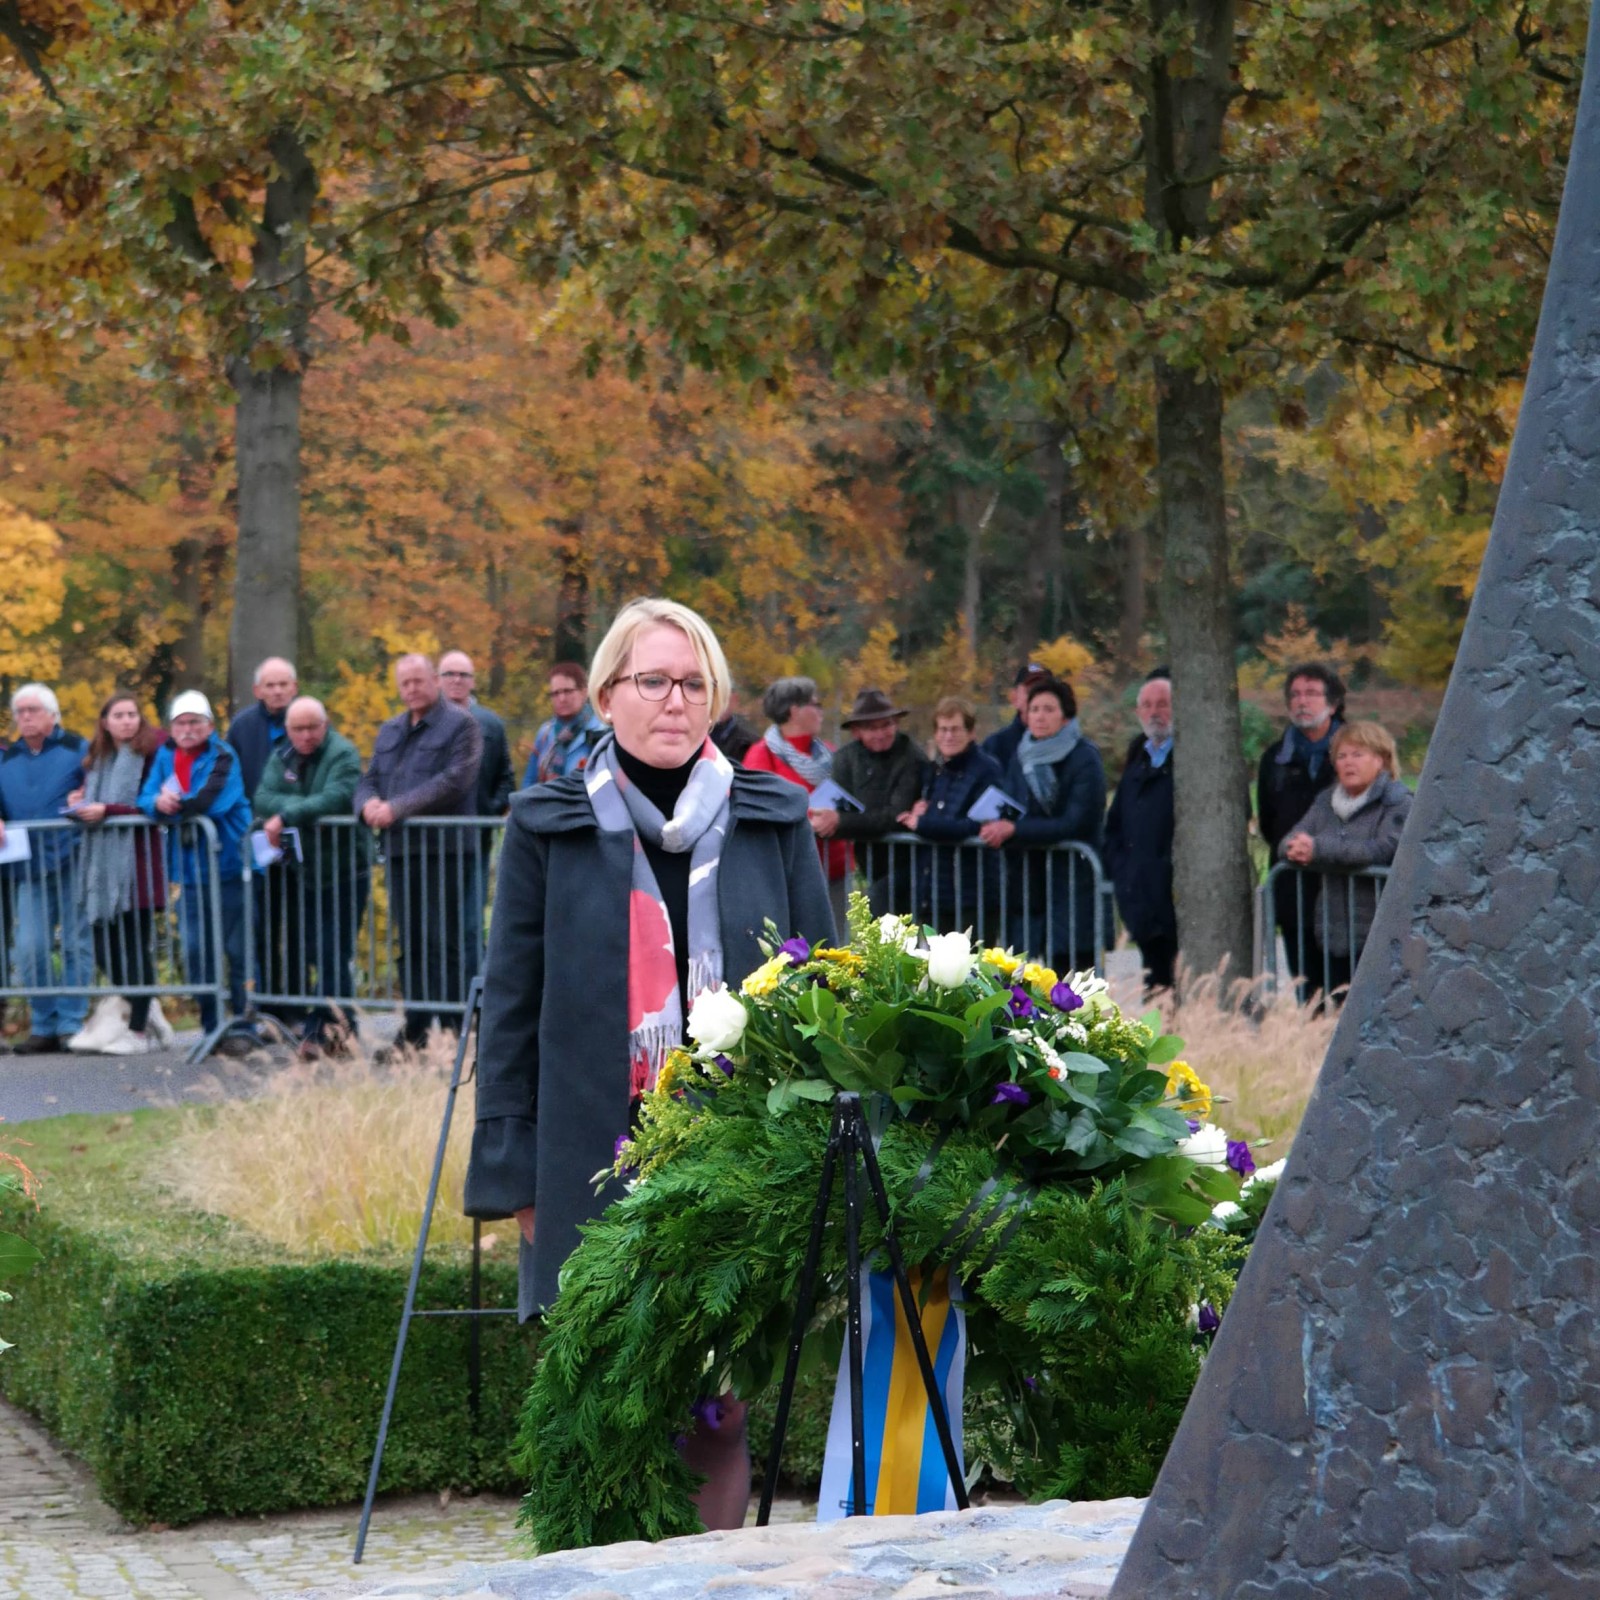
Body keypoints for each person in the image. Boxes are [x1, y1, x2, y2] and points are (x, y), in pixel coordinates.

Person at [464, 597, 834, 1532]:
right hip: (591, 1157)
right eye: (652, 681)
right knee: (607, 1411)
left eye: (692, 682)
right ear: (605, 697)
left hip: (739, 1155)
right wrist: (516, 1177)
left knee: (719, 1409)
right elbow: (509, 1006)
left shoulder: (773, 819)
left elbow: (825, 995)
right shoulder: (546, 826)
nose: (674, 701)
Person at [354, 654, 483, 1049]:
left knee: (442, 941)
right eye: (404, 683)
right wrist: (367, 805)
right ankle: (416, 1025)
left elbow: (455, 781)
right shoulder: (391, 729)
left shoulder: (461, 725)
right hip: (401, 851)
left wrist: (397, 808)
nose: (411, 689)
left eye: (418, 681)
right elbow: (370, 777)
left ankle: (450, 1025)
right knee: (409, 940)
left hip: (444, 851)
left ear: (434, 680)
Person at [139, 691, 253, 1050]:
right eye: (180, 723)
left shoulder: (223, 754)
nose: (187, 729)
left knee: (238, 950)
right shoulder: (165, 755)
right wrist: (156, 802)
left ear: (209, 726)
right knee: (195, 950)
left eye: (194, 722)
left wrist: (169, 807)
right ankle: (211, 1026)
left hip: (230, 864)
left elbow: (215, 802)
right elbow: (145, 797)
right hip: (189, 872)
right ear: (171, 728)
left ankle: (243, 1026)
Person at [253, 697, 366, 1056]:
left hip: (345, 868)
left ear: (325, 723)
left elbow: (336, 797)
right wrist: (299, 807)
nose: (304, 735)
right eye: (297, 729)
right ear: (287, 729)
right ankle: (343, 1029)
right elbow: (262, 796)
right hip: (308, 870)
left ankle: (323, 1031)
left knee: (334, 951)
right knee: (316, 951)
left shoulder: (343, 753)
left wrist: (287, 815)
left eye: (311, 727)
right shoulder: (283, 754)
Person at [66, 693, 173, 1055]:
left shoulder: (152, 752)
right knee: (103, 948)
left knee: (133, 946)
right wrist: (79, 804)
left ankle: (138, 1031)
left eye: (132, 714)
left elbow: (149, 802)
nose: (127, 721)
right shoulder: (98, 760)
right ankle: (146, 1003)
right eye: (119, 715)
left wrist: (106, 810)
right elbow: (95, 795)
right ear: (105, 722)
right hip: (101, 868)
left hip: (136, 866)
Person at [1277, 721, 1411, 1000]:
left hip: (1379, 934)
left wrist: (1318, 850)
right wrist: (1295, 849)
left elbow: (1381, 850)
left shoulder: (1398, 802)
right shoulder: (1326, 801)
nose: (1348, 763)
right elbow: (1287, 843)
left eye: (1358, 754)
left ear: (1381, 759)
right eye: (1341, 756)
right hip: (1331, 934)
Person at [986, 676, 1106, 974]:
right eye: (1035, 708)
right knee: (1019, 978)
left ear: (1065, 716)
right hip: (1027, 882)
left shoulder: (1084, 757)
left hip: (1071, 882)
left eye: (1049, 709)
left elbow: (1075, 822)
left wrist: (1017, 830)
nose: (1040, 716)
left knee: (1071, 981)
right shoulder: (1021, 755)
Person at [0, 685, 91, 1052]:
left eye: (33, 710)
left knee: (74, 943)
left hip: (72, 860)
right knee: (30, 948)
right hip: (28, 868)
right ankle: (43, 1023)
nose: (25, 717)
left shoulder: (78, 749)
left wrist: (87, 796)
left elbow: (97, 786)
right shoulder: (8, 758)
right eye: (19, 711)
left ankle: (71, 1023)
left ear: (52, 715)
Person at [1257, 662, 1346, 990]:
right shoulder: (1275, 759)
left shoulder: (1356, 751)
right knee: (1307, 994)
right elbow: (1269, 824)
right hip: (1293, 893)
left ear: (1333, 703)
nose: (1301, 702)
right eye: (1294, 695)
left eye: (1311, 693)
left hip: (1346, 896)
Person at [743, 676, 854, 928]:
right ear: (795, 710)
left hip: (835, 868)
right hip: (790, 873)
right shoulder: (761, 755)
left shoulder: (829, 752)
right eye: (816, 704)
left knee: (835, 948)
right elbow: (759, 806)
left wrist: (841, 818)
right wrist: (808, 818)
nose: (821, 712)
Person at [901, 696, 1006, 934]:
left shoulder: (987, 769)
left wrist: (923, 824)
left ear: (971, 732)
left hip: (974, 894)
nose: (949, 736)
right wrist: (920, 812)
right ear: (936, 734)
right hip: (935, 890)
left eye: (956, 729)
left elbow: (977, 826)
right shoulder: (935, 770)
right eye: (943, 729)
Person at [820, 688, 928, 915]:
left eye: (886, 725)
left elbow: (896, 815)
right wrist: (825, 820)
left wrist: (841, 821)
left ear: (896, 723)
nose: (881, 733)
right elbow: (833, 804)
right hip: (869, 863)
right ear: (857, 731)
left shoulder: (911, 755)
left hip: (913, 863)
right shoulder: (846, 758)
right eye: (871, 728)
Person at [1102, 671, 1177, 993]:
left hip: (1175, 896)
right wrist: (1122, 871)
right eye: (1146, 705)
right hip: (1141, 895)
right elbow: (1115, 825)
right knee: (1155, 988)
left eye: (1162, 704)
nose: (1154, 712)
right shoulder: (1138, 760)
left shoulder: (1187, 760)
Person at [439, 651, 515, 818]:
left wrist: (492, 809)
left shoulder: (492, 724)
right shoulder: (422, 722)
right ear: (438, 680)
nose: (457, 680)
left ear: (472, 682)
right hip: (430, 829)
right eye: (449, 674)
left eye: (463, 675)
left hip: (478, 826)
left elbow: (505, 777)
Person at [523, 662, 608, 786]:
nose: (561, 698)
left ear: (584, 692)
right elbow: (530, 782)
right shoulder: (545, 734)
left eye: (567, 691)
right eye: (555, 693)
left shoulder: (601, 731)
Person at [226, 657, 298, 796]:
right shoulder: (241, 725)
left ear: (294, 687)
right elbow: (229, 774)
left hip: (299, 811)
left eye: (283, 684)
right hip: (253, 812)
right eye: (270, 685)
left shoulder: (312, 720)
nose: (277, 691)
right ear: (257, 690)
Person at [981, 663, 1052, 772]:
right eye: (1030, 692)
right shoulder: (995, 747)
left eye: (1043, 691)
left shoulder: (1069, 746)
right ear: (1015, 698)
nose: (1037, 698)